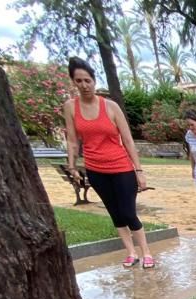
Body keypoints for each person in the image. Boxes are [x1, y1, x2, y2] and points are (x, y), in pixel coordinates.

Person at [63, 57, 154, 269]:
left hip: (121, 167)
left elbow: (128, 140)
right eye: (79, 81)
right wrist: (72, 166)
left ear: (94, 81)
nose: (84, 85)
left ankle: (146, 252)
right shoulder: (70, 107)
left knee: (128, 212)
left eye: (88, 80)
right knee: (114, 212)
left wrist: (138, 170)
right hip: (95, 169)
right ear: (74, 82)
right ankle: (131, 252)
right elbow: (72, 140)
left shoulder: (110, 107)